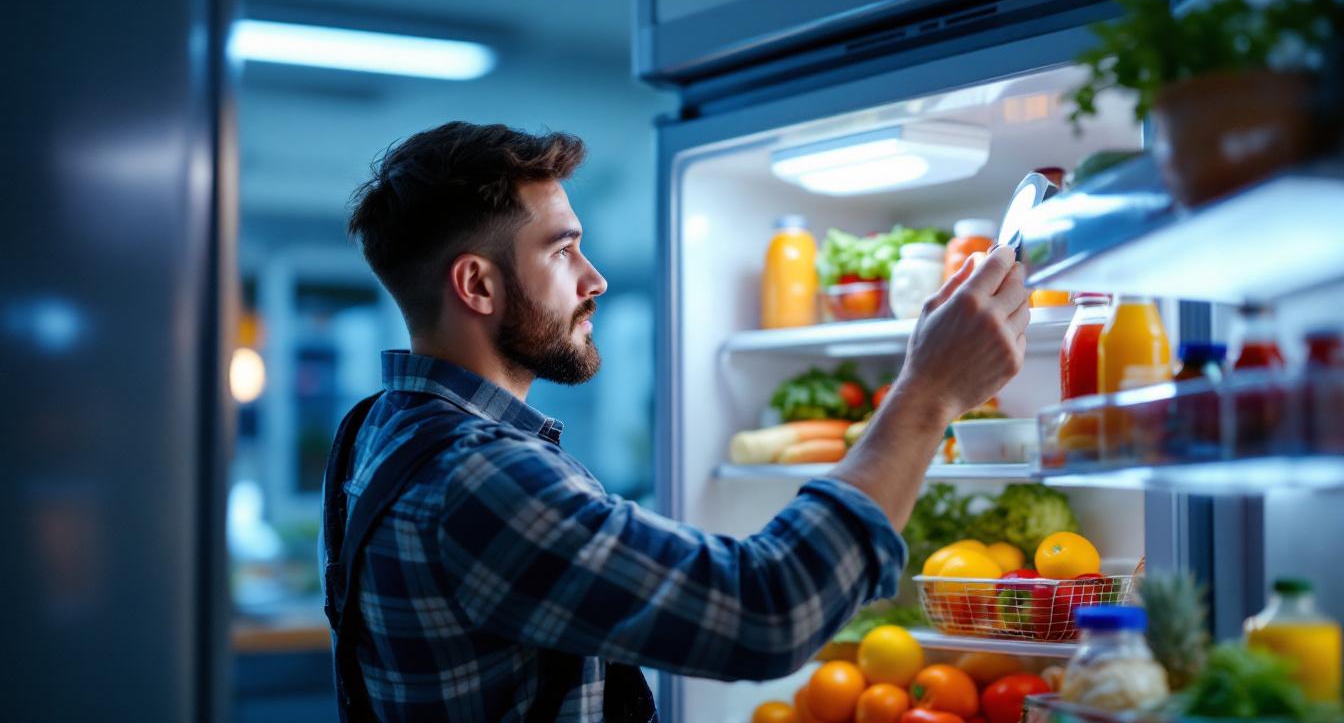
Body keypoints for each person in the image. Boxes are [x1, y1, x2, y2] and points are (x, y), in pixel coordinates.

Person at [327, 121, 1030, 722]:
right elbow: (768, 611)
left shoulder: (377, 430)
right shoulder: (479, 477)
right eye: (561, 249)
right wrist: (928, 392)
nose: (593, 278)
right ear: (477, 283)